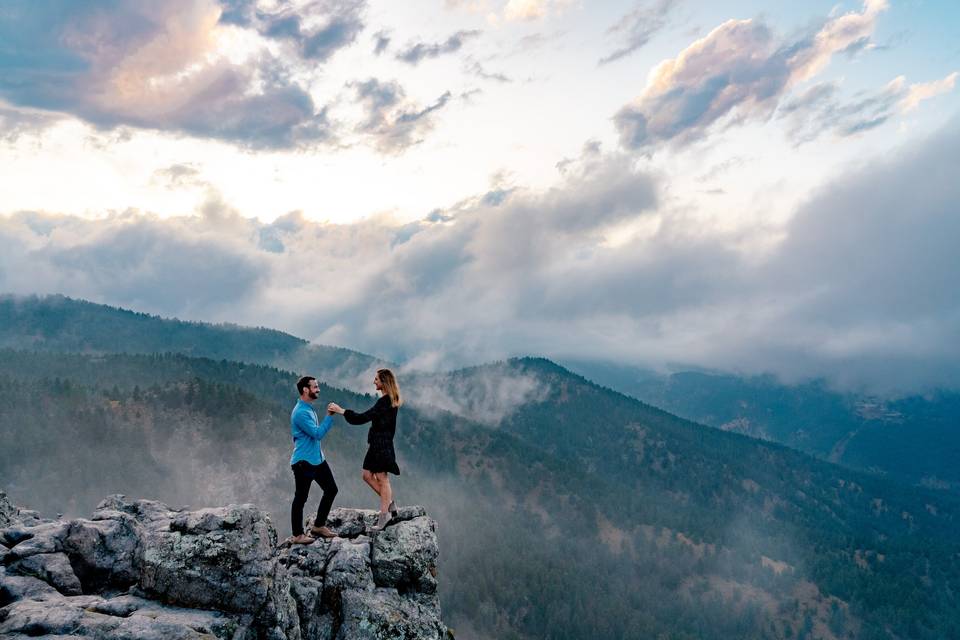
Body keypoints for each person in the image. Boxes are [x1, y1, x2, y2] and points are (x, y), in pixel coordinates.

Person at [328, 368, 402, 532]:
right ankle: (389, 505)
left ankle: (384, 516)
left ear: (384, 382)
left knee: (382, 478)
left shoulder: (385, 402)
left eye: (376, 379)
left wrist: (342, 411)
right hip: (377, 444)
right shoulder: (388, 400)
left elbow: (362, 418)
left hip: (381, 444)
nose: (374, 381)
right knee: (367, 475)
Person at [289, 376, 338, 544]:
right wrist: (330, 416)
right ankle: (297, 535)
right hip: (304, 462)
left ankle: (318, 526)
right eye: (315, 387)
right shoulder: (300, 412)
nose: (318, 389)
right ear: (305, 390)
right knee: (300, 498)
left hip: (317, 459)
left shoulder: (308, 408)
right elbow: (317, 434)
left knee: (331, 489)